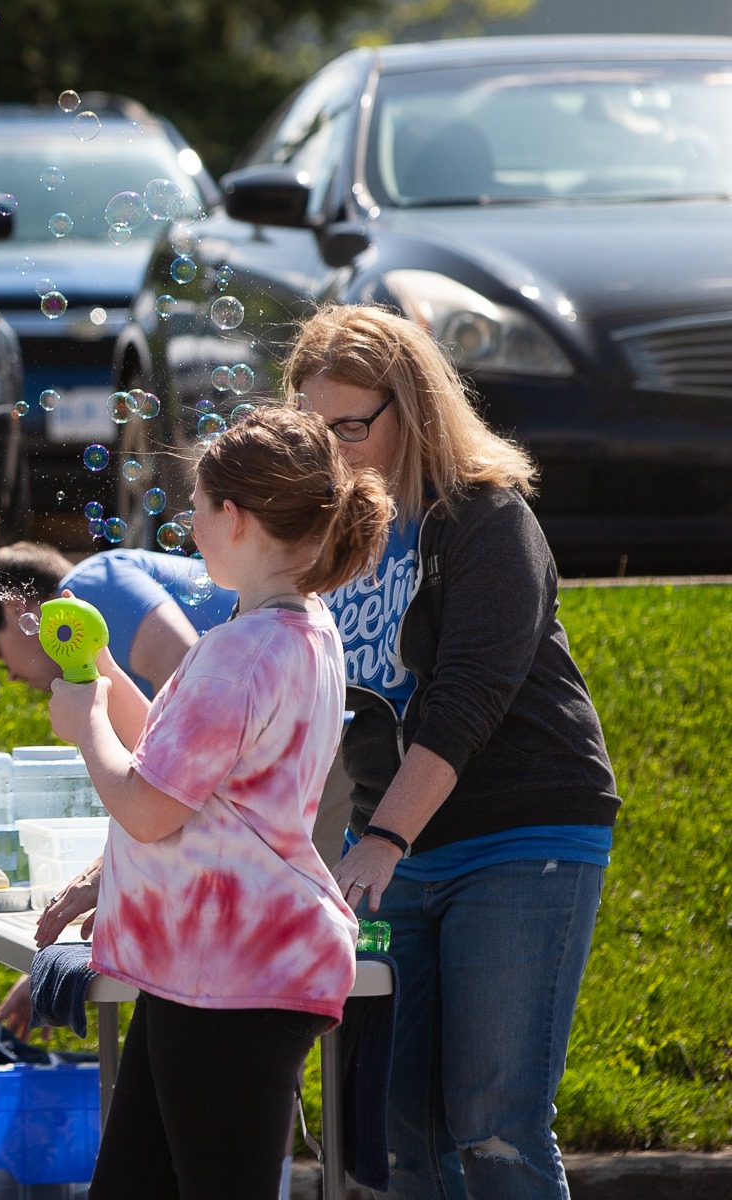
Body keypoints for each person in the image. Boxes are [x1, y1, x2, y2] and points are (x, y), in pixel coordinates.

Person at [290, 305, 620, 1200]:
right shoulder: (330, 536)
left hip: (522, 836)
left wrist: (382, 843)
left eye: (351, 425)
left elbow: (466, 704)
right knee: (402, 1130)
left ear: (414, 409)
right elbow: (308, 715)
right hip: (394, 853)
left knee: (493, 1123)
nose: (334, 448)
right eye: (314, 427)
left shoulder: (485, 519)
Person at [47, 405, 391, 1199]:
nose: (189, 527)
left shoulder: (241, 654)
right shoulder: (298, 629)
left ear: (234, 516)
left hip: (231, 981)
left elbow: (147, 807)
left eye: (196, 509)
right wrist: (101, 672)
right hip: (210, 973)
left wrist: (83, 726)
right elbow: (178, 767)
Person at [0, 542, 237, 1035]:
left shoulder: (92, 584)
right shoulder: (101, 655)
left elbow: (187, 675)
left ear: (15, 608)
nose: (5, 673)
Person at [0, 542, 237, 698]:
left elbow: (180, 662)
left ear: (15, 607)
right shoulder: (88, 656)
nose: (11, 676)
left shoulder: (88, 587)